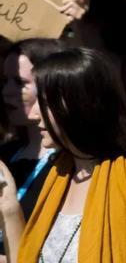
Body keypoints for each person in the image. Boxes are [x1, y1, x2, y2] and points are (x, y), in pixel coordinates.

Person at [0, 47, 126, 263]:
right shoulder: (56, 174)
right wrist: (9, 206)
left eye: (45, 103)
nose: (33, 114)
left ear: (79, 104)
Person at [0, 40, 64, 220]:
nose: (7, 91)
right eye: (5, 81)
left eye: (20, 82)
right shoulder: (5, 154)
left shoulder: (70, 163)